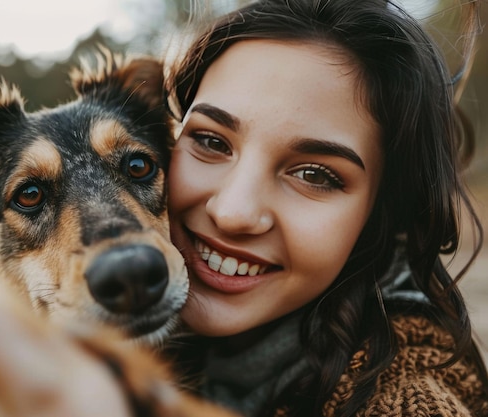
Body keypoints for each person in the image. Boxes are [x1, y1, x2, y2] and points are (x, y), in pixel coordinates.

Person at [161, 0, 488, 416]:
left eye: (315, 174)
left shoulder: (406, 397)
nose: (233, 213)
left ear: (380, 215)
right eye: (211, 141)